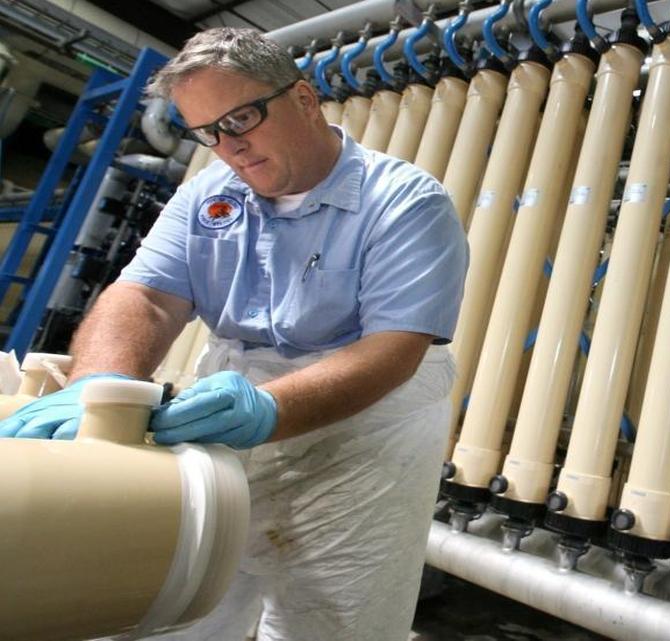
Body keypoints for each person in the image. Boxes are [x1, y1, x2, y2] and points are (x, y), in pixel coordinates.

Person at [0, 27, 467, 641]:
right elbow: (143, 297)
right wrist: (100, 387)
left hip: (364, 437)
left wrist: (266, 408)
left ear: (302, 98)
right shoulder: (206, 197)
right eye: (206, 132)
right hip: (234, 412)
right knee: (178, 597)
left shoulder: (405, 203)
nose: (229, 147)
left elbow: (391, 354)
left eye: (240, 118)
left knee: (331, 622)